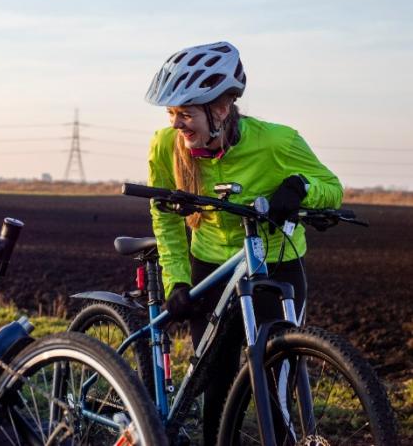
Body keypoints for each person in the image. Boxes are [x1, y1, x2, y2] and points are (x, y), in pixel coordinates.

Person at [145, 41, 343, 445]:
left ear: (220, 108)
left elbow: (333, 189)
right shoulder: (165, 146)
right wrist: (177, 283)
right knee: (215, 388)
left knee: (274, 391)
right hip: (210, 270)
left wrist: (299, 187)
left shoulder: (277, 142)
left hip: (274, 268)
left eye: (185, 113)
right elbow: (165, 217)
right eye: (171, 114)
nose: (176, 124)